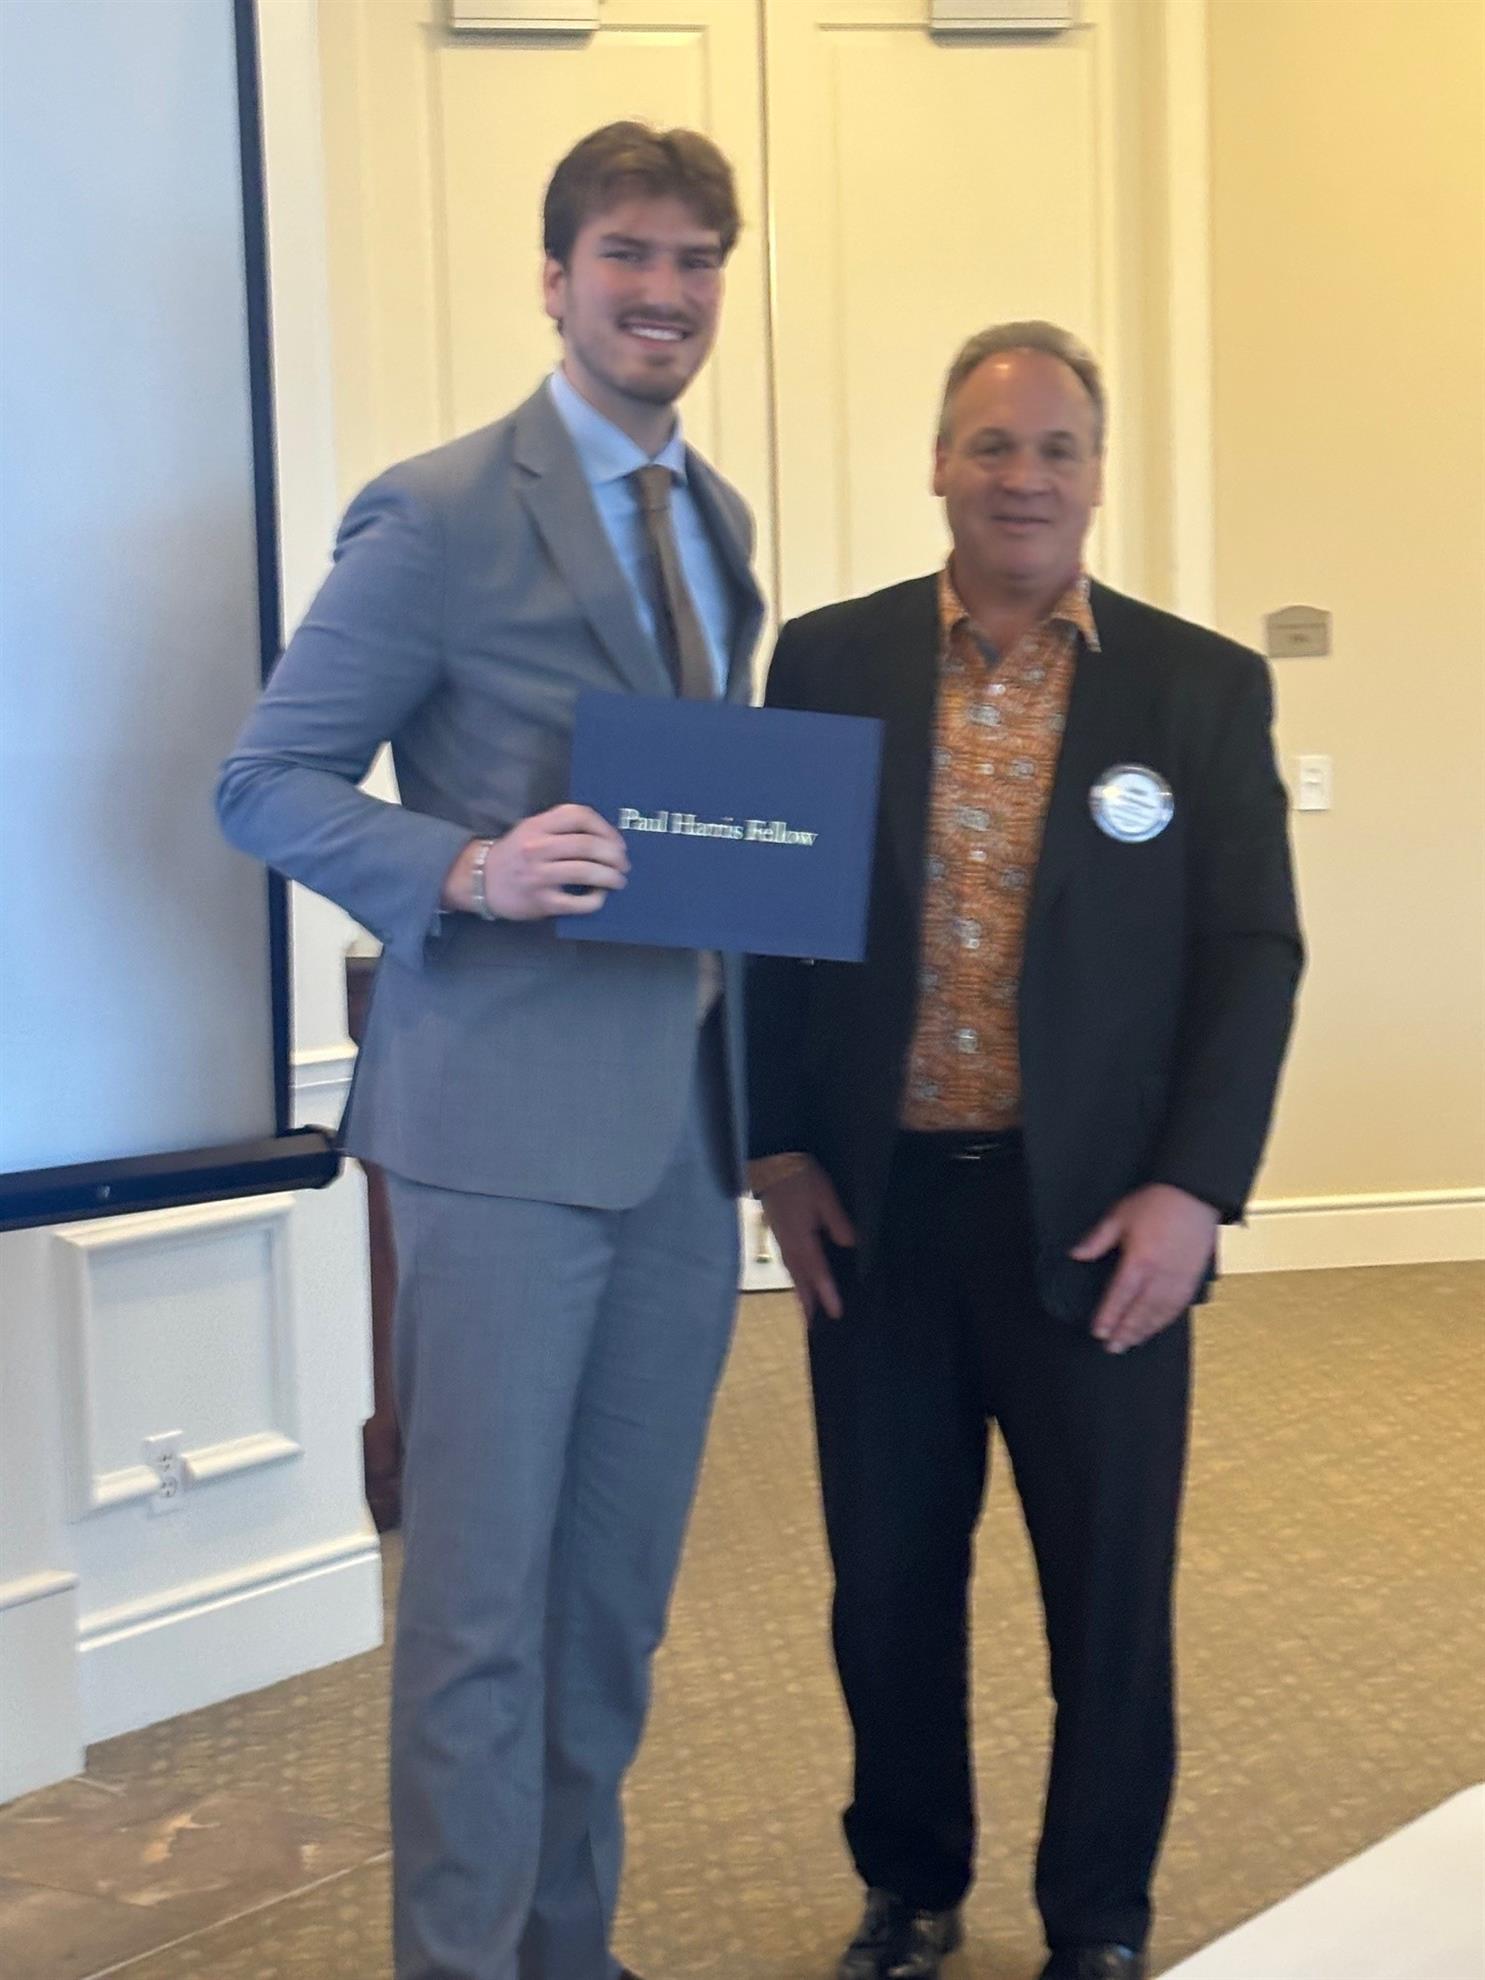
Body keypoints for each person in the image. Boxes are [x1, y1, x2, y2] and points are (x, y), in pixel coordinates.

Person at [217, 122, 763, 1980]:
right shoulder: (439, 512)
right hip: (498, 1143)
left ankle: (565, 1952)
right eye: (628, 254)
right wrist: (467, 865)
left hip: (683, 1141)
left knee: (610, 1611)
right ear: (555, 279)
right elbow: (264, 782)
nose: (662, 292)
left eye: (694, 259)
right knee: (475, 1616)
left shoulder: (717, 520)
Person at [747, 322, 1302, 1980]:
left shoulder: (1195, 686)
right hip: (882, 1217)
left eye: (1057, 447)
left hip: (1101, 1231)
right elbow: (770, 931)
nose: (1023, 477)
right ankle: (908, 1887)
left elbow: (1249, 954)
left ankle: (1096, 1924)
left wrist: (1192, 1192)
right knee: (886, 1589)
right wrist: (773, 1150)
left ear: (1095, 477)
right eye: (991, 444)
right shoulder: (826, 662)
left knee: (1107, 1601)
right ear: (937, 464)